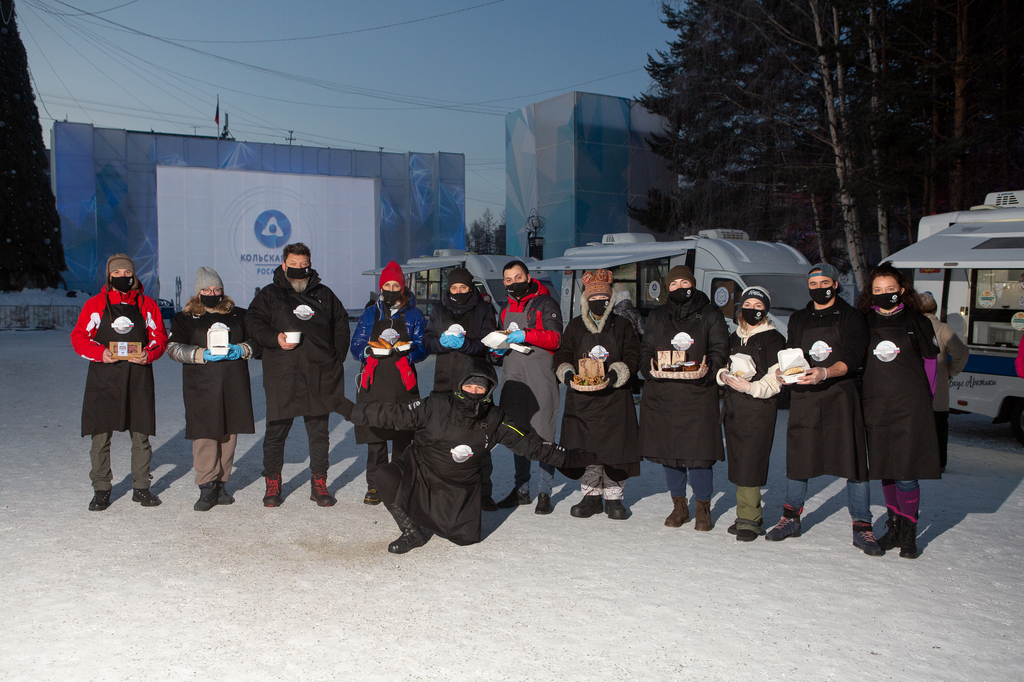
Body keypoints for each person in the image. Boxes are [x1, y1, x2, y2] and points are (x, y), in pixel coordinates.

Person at [335, 360, 597, 553]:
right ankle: (411, 531)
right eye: (469, 384)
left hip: (459, 487)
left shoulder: (495, 419)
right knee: (386, 475)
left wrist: (569, 459)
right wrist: (349, 410)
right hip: (423, 470)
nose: (474, 390)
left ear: (489, 390)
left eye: (480, 386)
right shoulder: (435, 405)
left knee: (465, 540)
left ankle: (443, 518)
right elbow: (392, 415)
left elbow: (530, 444)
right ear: (460, 384)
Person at [764, 264, 880, 555]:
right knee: (799, 458)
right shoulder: (800, 318)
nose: (818, 287)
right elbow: (792, 353)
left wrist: (825, 373)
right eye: (813, 282)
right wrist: (784, 373)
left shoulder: (852, 317)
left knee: (854, 462)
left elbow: (854, 356)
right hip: (806, 398)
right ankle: (790, 518)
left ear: (836, 285)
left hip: (842, 396)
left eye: (824, 282)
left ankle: (862, 526)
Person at [245, 242, 349, 507]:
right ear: (283, 265)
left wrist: (336, 358)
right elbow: (253, 322)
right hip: (283, 373)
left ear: (310, 265)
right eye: (294, 265)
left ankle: (319, 483)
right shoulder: (269, 294)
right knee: (276, 431)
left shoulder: (324, 294)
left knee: (319, 432)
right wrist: (274, 337)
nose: (299, 270)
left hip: (318, 373)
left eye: (304, 266)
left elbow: (341, 323)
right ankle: (272, 482)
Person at [70, 253, 168, 511]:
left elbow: (159, 337)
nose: (123, 277)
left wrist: (149, 354)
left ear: (134, 276)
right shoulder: (94, 305)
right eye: (117, 274)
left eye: (127, 273)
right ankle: (101, 489)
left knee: (141, 436)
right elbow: (79, 337)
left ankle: (141, 487)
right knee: (100, 437)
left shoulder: (147, 305)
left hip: (138, 377)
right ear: (109, 276)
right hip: (104, 378)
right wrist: (99, 353)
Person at [858, 263, 942, 559]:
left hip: (910, 406)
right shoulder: (864, 321)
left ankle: (909, 533)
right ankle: (892, 529)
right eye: (878, 290)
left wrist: (926, 398)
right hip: (876, 405)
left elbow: (930, 363)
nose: (884, 294)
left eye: (889, 290)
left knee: (906, 472)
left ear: (902, 290)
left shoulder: (917, 321)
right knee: (886, 469)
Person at [639, 265, 729, 531]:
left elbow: (720, 349)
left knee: (699, 454)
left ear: (693, 284)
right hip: (663, 394)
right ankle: (679, 505)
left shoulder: (710, 313)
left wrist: (707, 371)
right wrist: (648, 371)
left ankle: (703, 507)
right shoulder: (657, 315)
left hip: (698, 394)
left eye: (683, 282)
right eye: (674, 284)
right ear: (668, 288)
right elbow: (646, 349)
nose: (679, 287)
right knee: (670, 453)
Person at [167, 267, 260, 511]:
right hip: (201, 385)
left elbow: (257, 343)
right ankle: (206, 486)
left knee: (228, 435)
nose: (212, 293)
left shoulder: (239, 315)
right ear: (198, 292)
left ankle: (221, 483)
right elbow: (173, 348)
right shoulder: (184, 318)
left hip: (234, 384)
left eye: (216, 288)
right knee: (205, 435)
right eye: (207, 289)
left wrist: (242, 349)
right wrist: (199, 354)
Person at [553, 270, 640, 519]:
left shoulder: (622, 325)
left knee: (616, 450)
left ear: (610, 300)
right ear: (585, 300)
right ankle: (591, 496)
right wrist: (568, 374)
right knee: (586, 449)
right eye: (594, 297)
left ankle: (614, 498)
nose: (599, 301)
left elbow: (634, 356)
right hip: (582, 400)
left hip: (615, 398)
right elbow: (562, 354)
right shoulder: (575, 326)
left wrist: (616, 375)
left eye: (604, 297)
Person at [350, 261, 428, 506]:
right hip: (374, 378)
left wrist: (410, 354)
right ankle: (374, 485)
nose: (392, 288)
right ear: (381, 287)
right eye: (387, 284)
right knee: (375, 434)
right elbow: (356, 343)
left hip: (402, 380)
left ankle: (401, 481)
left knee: (403, 434)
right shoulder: (370, 313)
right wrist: (366, 352)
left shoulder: (414, 314)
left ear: (403, 287)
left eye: (396, 285)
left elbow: (423, 345)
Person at [490, 260, 564, 512]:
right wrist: (498, 350)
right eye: (509, 280)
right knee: (516, 432)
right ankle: (521, 489)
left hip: (540, 375)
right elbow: (505, 342)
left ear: (529, 277)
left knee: (544, 434)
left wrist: (526, 334)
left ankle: (545, 491)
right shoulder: (505, 308)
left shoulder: (546, 303)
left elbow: (555, 339)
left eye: (518, 277)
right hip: (513, 378)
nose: (514, 283)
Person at [715, 287, 786, 541]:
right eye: (749, 304)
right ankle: (744, 513)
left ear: (765, 310)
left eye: (759, 305)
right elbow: (723, 364)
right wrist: (722, 376)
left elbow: (776, 378)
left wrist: (751, 387)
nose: (753, 309)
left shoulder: (773, 338)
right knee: (738, 460)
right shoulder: (735, 336)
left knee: (750, 461)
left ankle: (750, 519)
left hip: (758, 409)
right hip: (734, 408)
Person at [423, 266, 498, 506]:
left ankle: (482, 492)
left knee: (478, 436)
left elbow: (487, 343)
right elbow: (428, 341)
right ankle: (443, 487)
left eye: (463, 287)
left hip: (474, 378)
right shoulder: (438, 309)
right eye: (454, 287)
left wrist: (465, 345)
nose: (458, 291)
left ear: (470, 287)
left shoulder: (484, 309)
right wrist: (442, 343)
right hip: (445, 379)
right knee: (444, 435)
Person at [918, 292, 969, 472]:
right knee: (939, 426)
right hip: (937, 387)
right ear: (935, 308)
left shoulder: (910, 326)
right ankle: (939, 463)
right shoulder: (943, 328)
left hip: (913, 388)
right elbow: (961, 352)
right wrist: (950, 371)